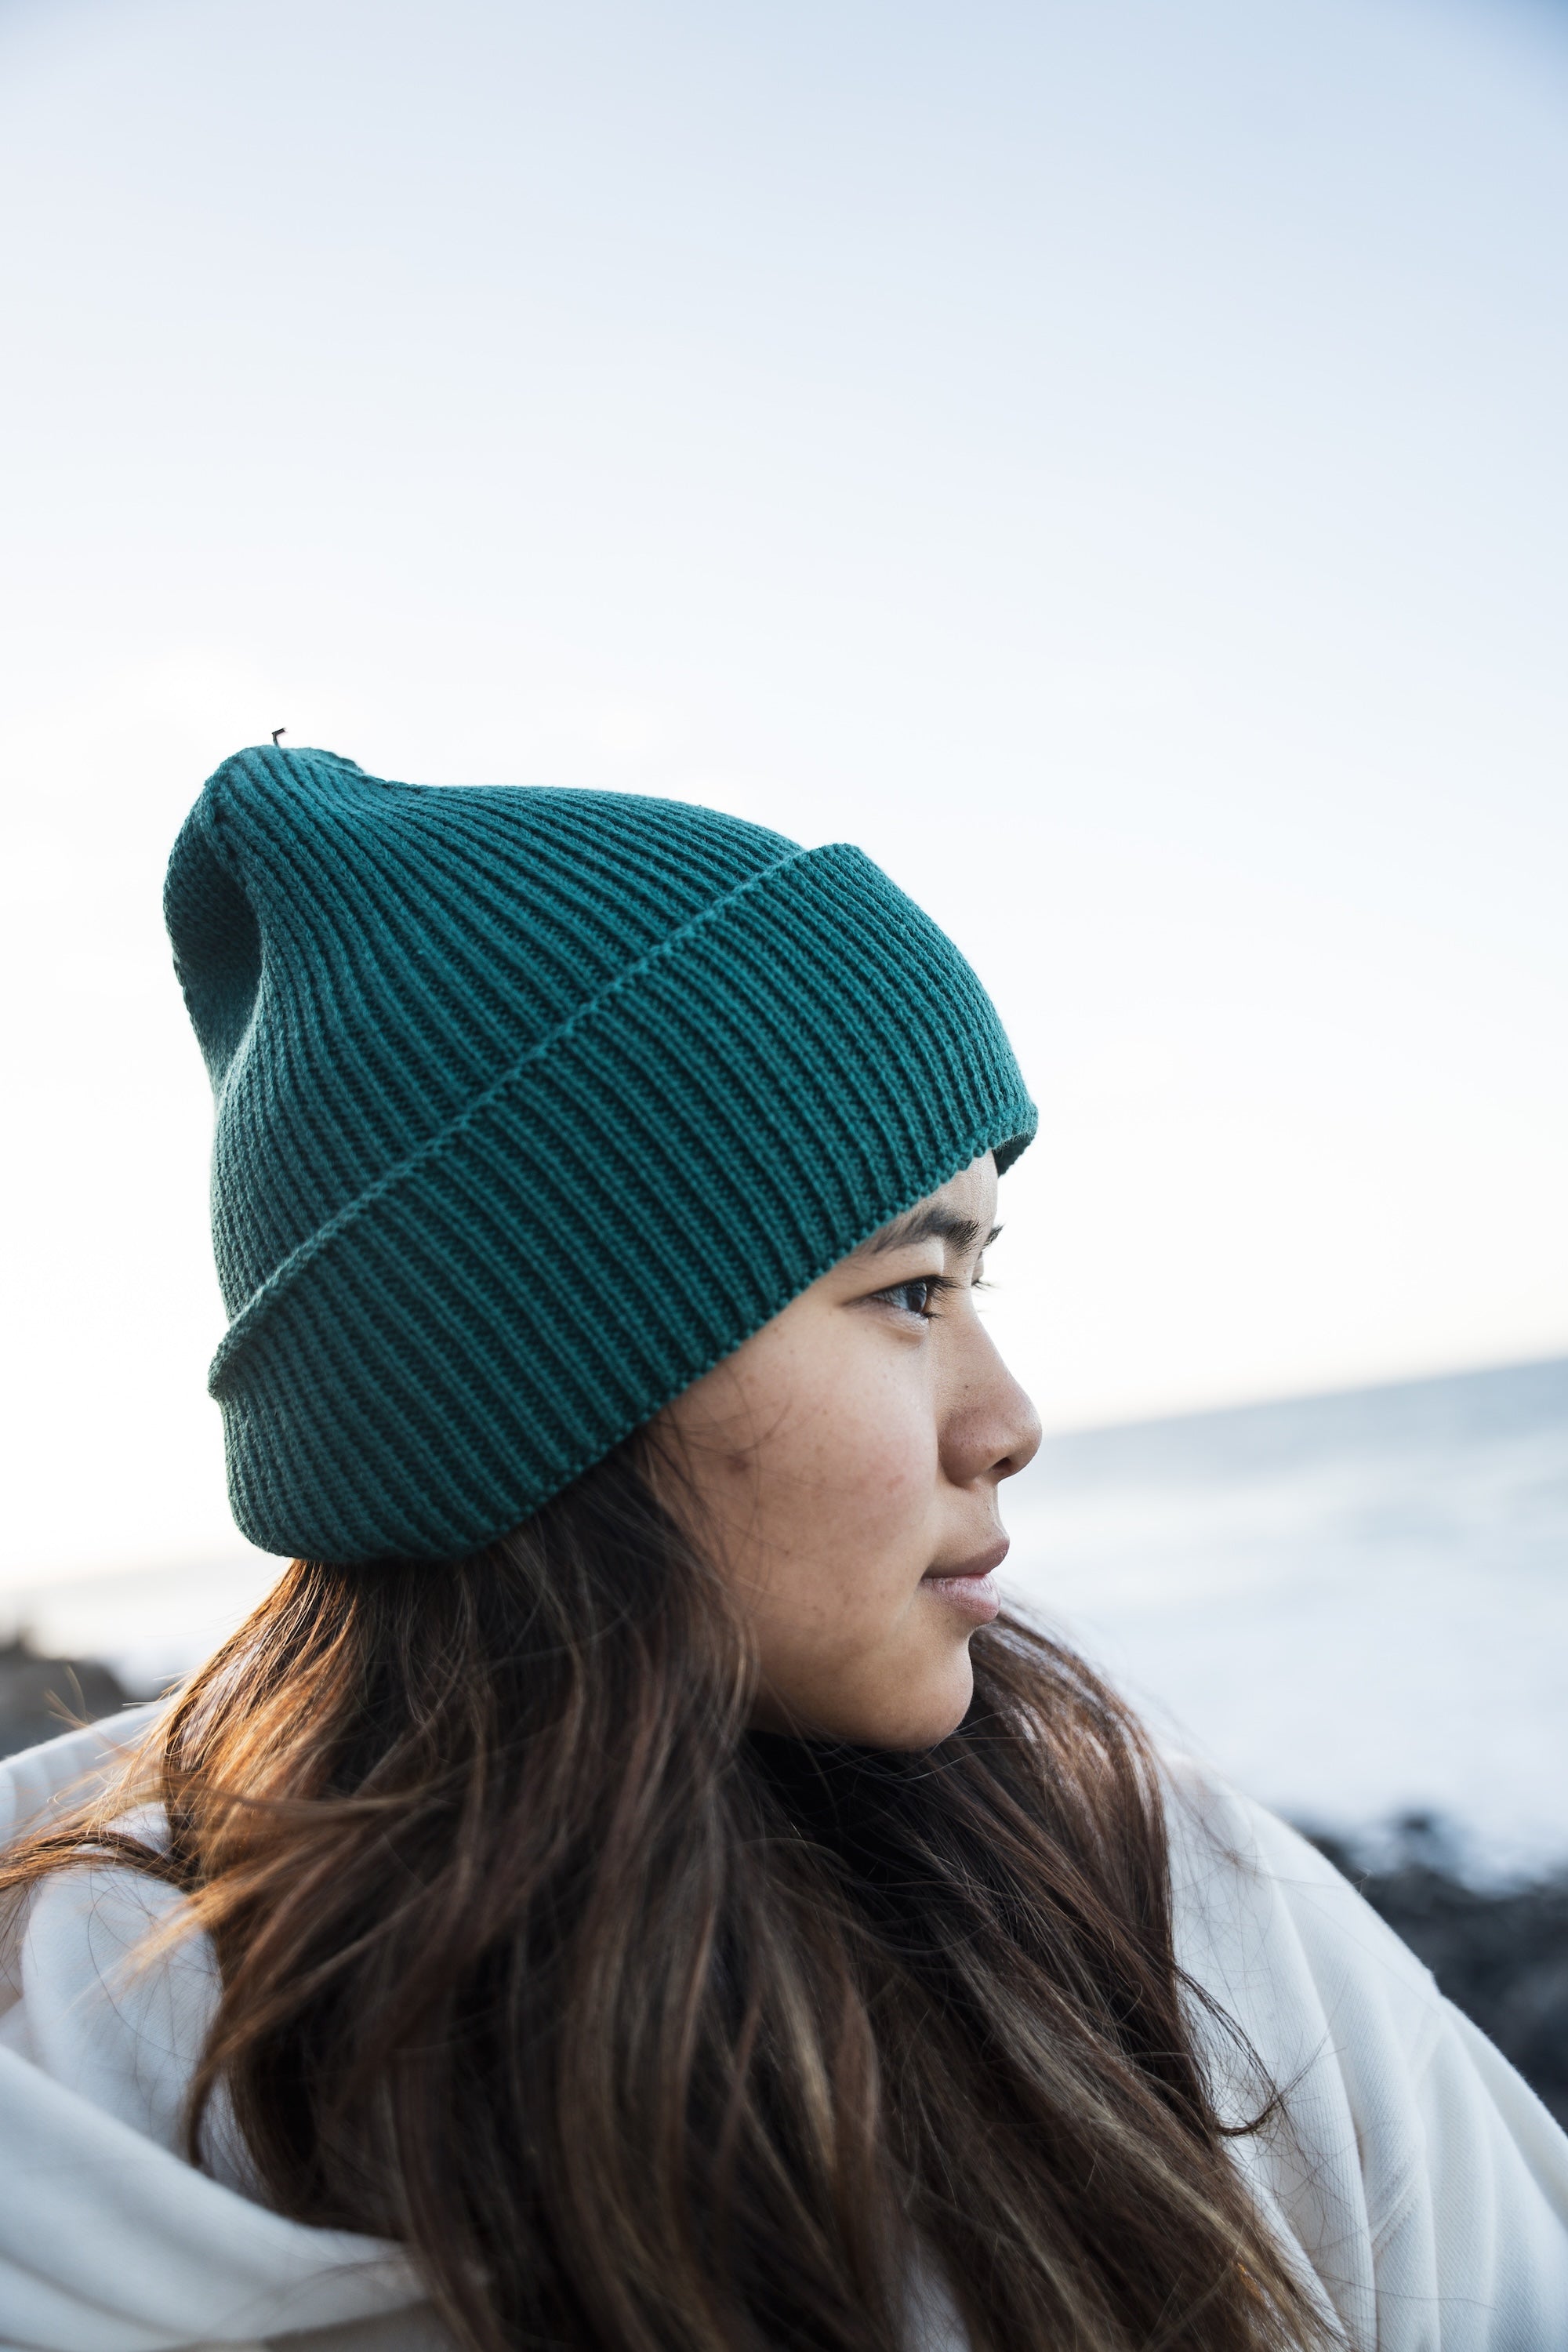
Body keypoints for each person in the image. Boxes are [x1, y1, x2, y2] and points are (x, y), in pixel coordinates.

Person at [1, 745, 1565, 2352]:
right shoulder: (74, 2074)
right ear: (550, 1384)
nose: (1007, 1418)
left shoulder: (1173, 1915)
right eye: (907, 1292)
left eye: (979, 1281)